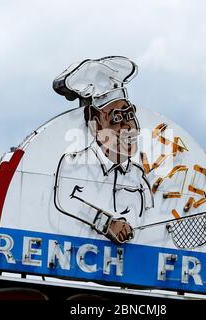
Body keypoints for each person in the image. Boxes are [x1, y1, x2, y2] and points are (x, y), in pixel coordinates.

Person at [53, 56, 154, 245]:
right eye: (116, 118)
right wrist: (106, 223)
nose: (129, 127)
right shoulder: (74, 163)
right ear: (94, 123)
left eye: (130, 115)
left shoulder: (138, 175)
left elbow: (150, 215)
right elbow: (65, 201)